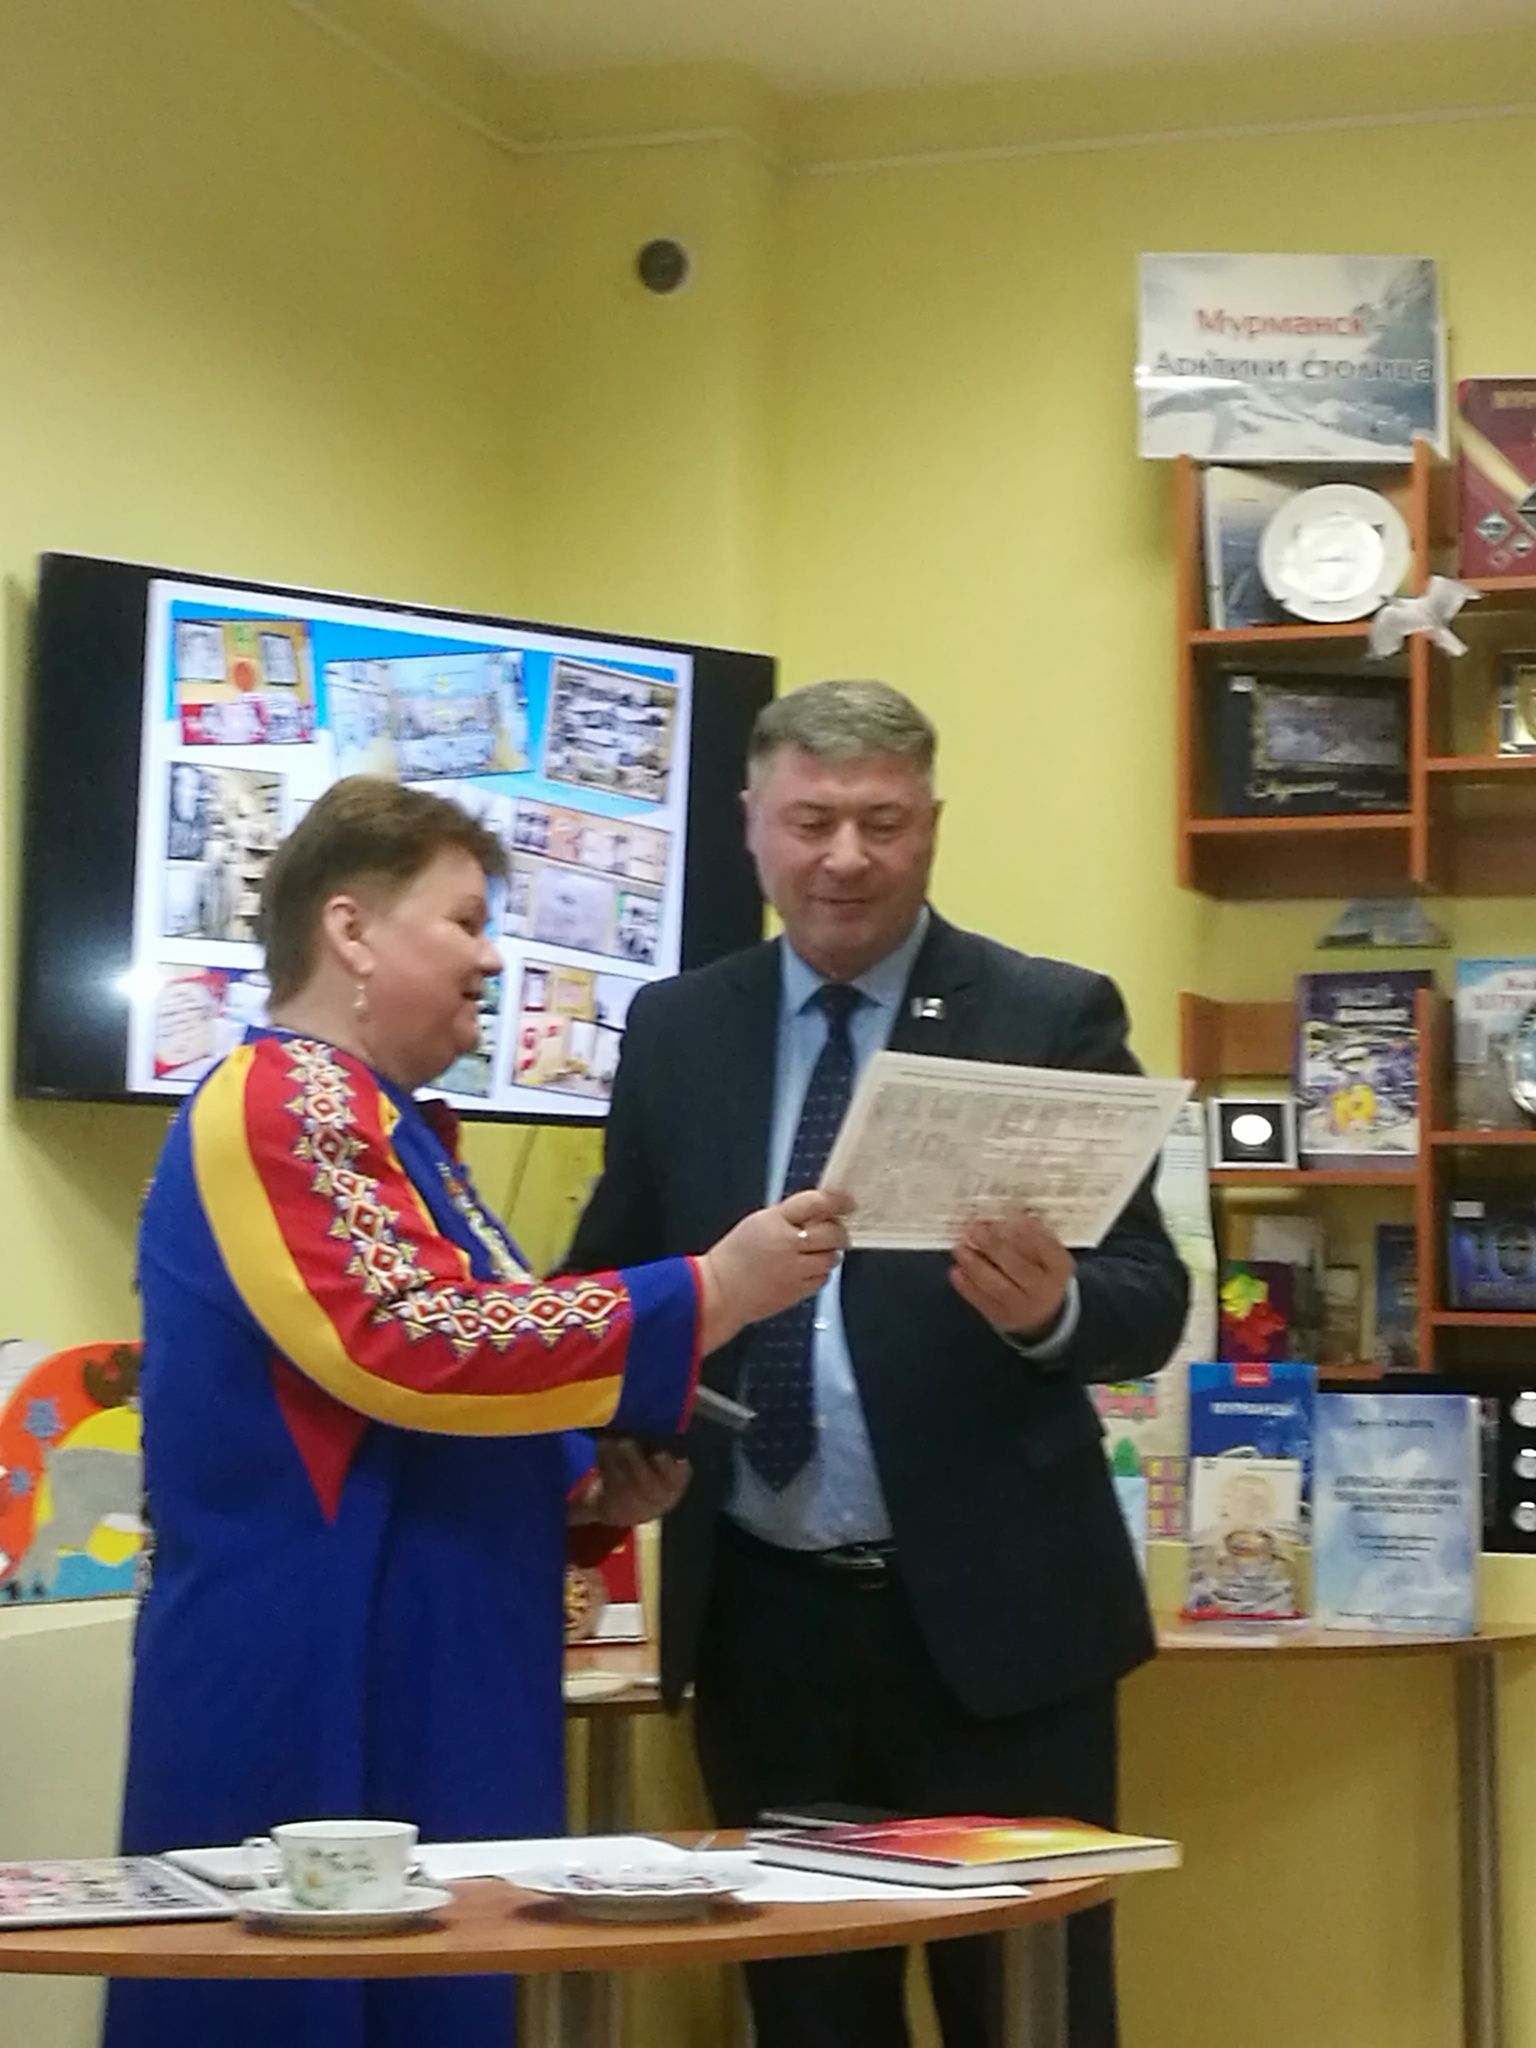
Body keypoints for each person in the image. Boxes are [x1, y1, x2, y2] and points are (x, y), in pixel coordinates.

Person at [104, 776, 846, 2048]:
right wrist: (711, 1291)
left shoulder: (394, 1129)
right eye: (465, 921)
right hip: (317, 1667)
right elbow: (405, 1339)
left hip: (417, 1654)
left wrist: (580, 1493)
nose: (493, 959)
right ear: (350, 929)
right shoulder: (284, 1098)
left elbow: (434, 1399)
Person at [565, 679, 1189, 2048]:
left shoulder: (1047, 1012)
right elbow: (605, 1289)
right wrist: (610, 1444)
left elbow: (1151, 1297)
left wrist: (1054, 1310)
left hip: (1002, 1637)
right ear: (752, 824)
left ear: (933, 826)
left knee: (1030, 2018)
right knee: (810, 2019)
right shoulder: (677, 1028)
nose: (846, 857)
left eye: (883, 823)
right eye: (812, 822)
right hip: (765, 1631)